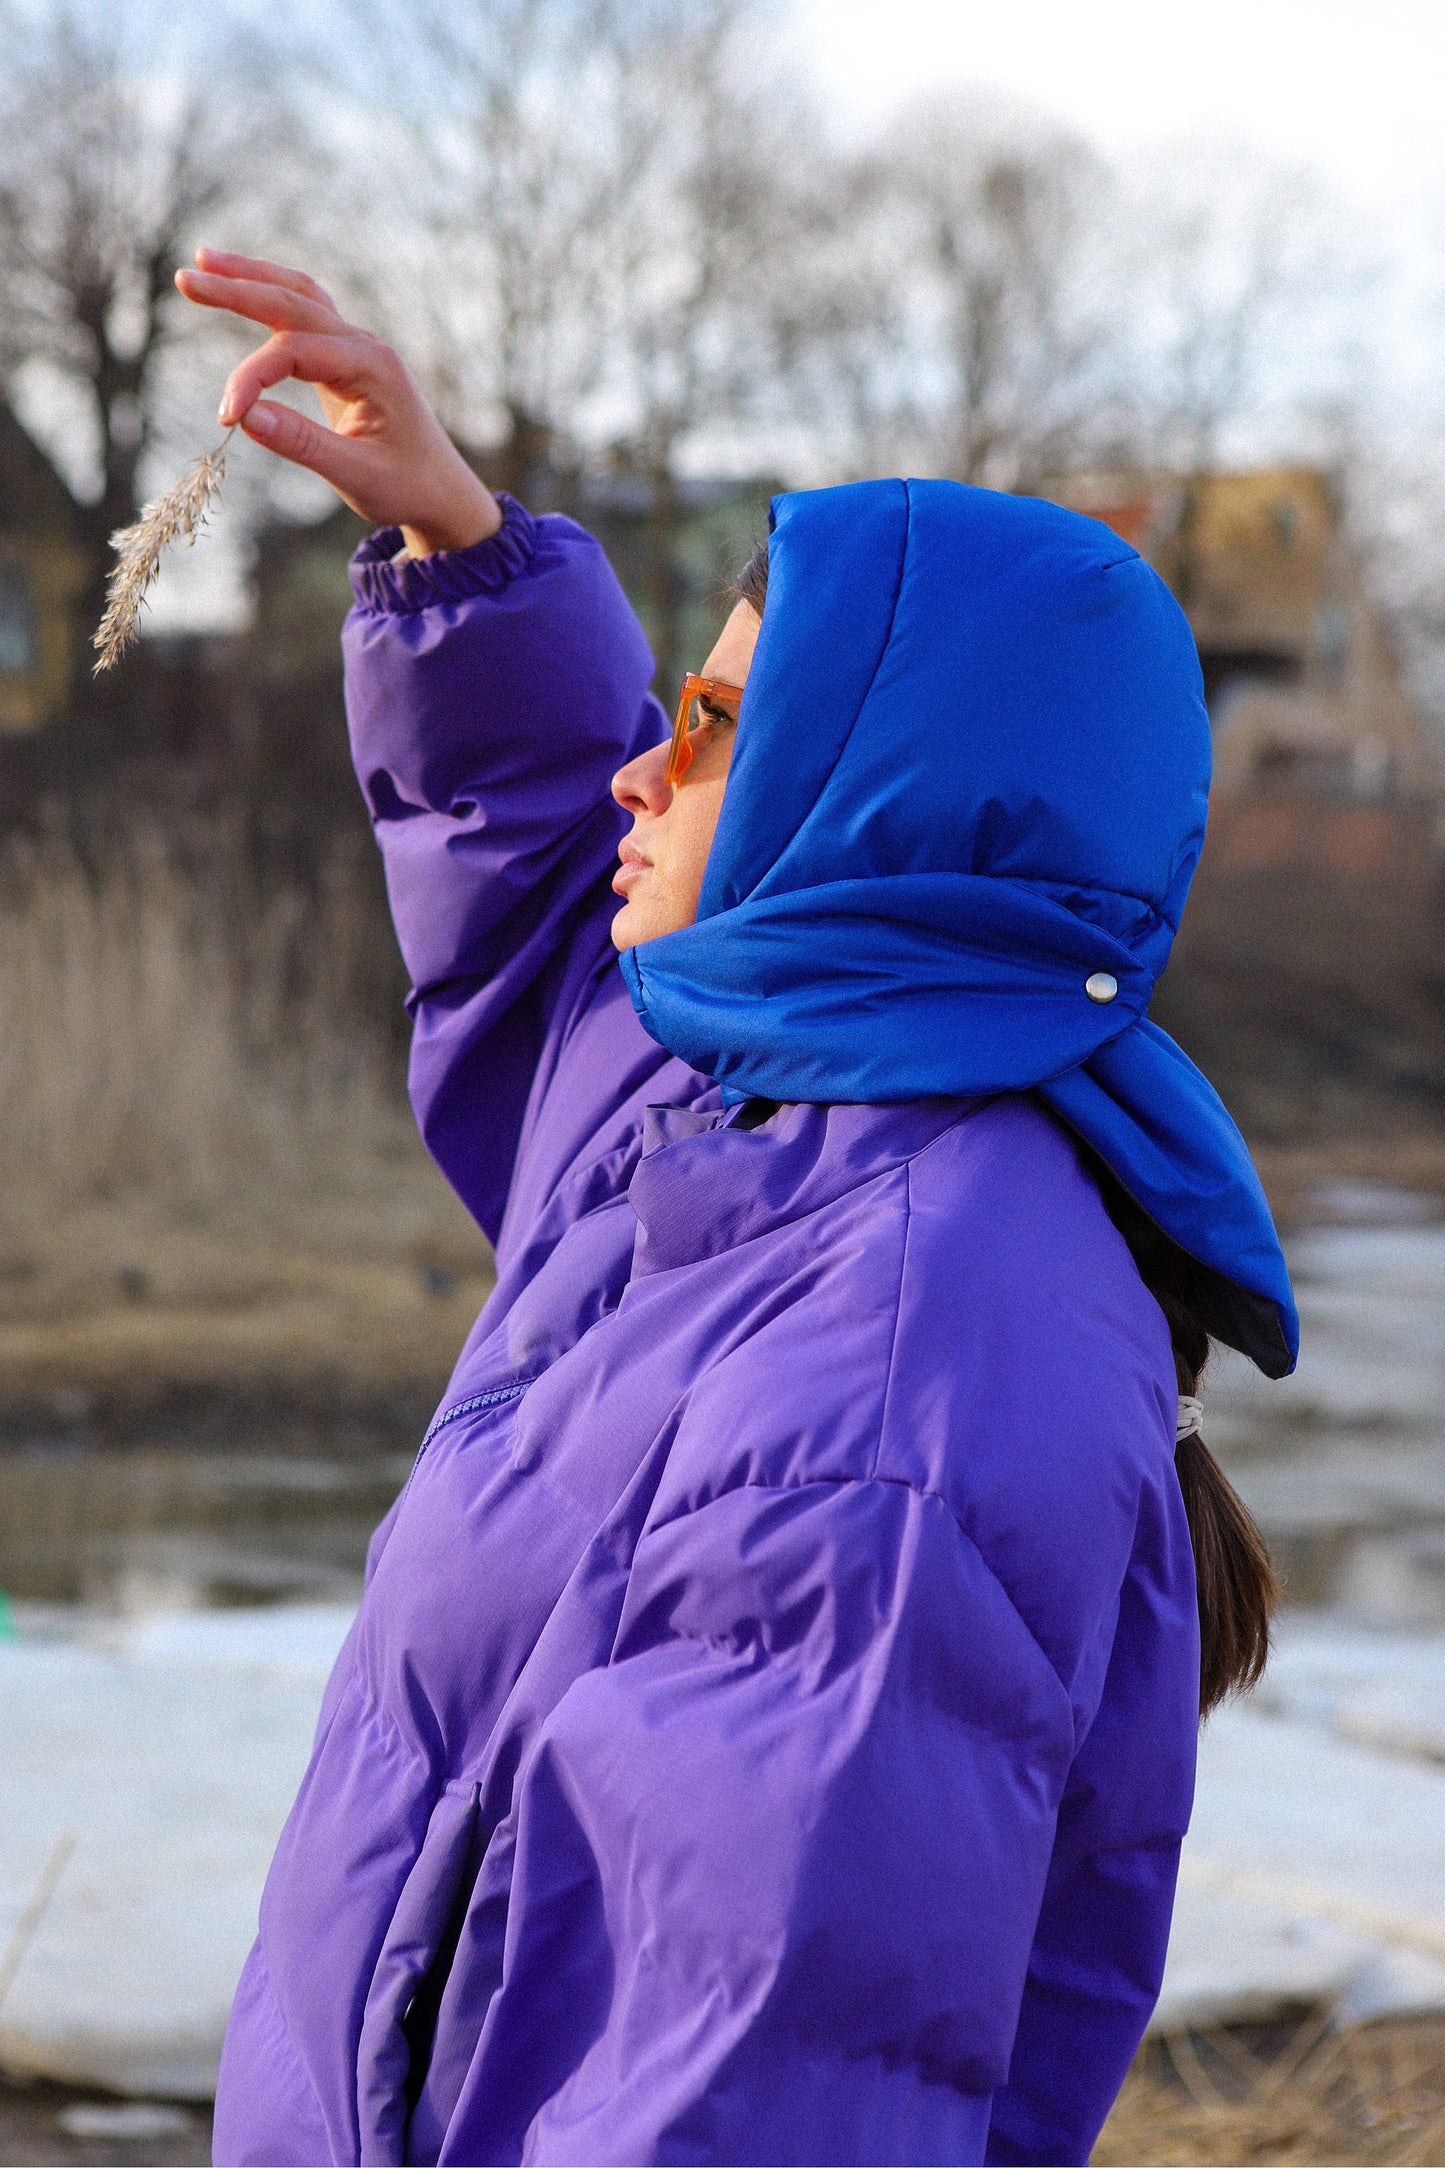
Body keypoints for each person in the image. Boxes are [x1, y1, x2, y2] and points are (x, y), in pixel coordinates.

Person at [177, 250, 1297, 2168]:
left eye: (707, 726)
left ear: (865, 803)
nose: (642, 768)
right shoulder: (737, 1105)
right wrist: (458, 550)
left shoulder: (908, 1359)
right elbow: (543, 928)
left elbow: (751, 2083)